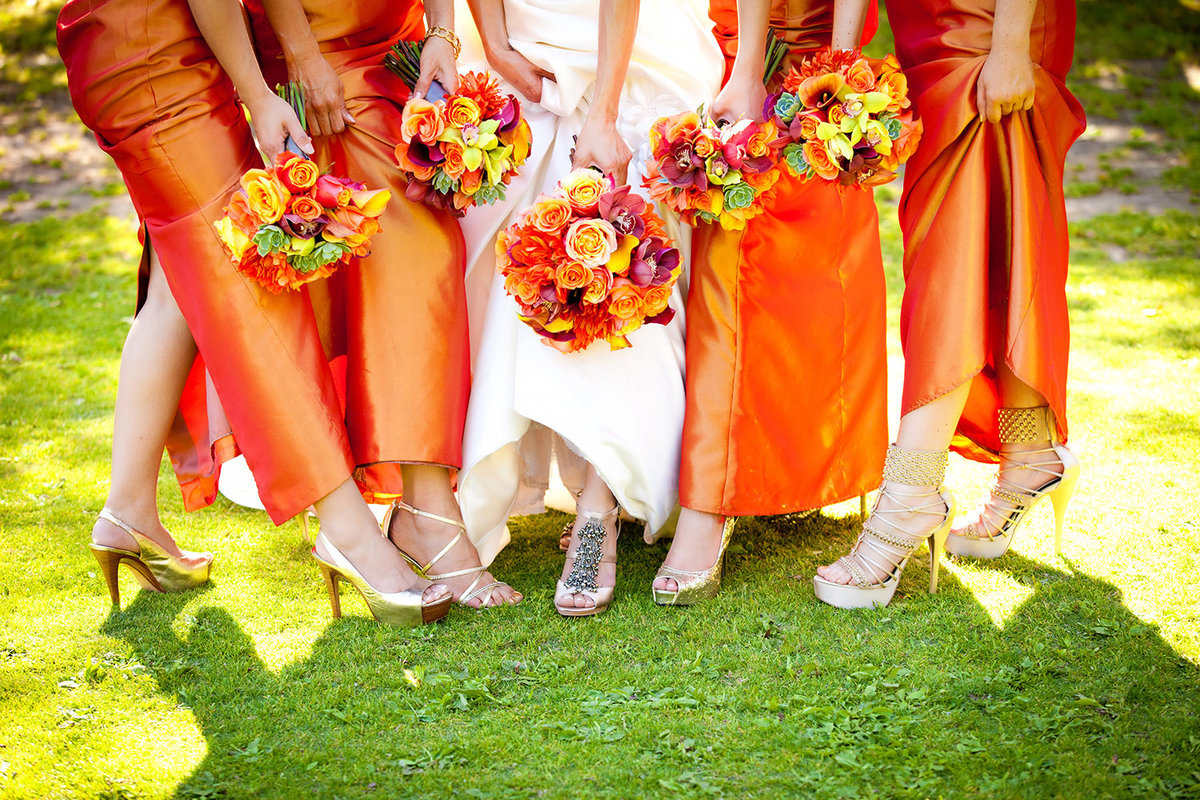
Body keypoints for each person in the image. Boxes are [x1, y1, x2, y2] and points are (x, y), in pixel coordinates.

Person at [58, 0, 452, 624]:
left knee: (175, 289)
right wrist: (260, 94)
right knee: (253, 296)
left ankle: (128, 511)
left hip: (138, 42)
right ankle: (348, 531)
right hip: (160, 62)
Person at [243, 0, 523, 608]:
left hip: (395, 48)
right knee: (416, 255)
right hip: (324, 53)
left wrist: (442, 33)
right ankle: (425, 509)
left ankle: (418, 508)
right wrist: (301, 53)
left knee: (422, 259)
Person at [455, 0, 723, 616]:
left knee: (618, 257)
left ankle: (598, 505)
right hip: (524, 33)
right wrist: (494, 44)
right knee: (522, 262)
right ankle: (497, 473)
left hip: (624, 42)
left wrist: (603, 112)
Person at [814, 0, 1085, 608]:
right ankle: (1030, 450)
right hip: (923, 36)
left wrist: (1012, 46)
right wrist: (841, 65)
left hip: (990, 27)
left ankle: (911, 493)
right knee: (990, 246)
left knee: (953, 263)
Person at [651, 0, 889, 606]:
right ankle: (712, 493)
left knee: (812, 284)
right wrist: (750, 68)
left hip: (802, 61)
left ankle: (725, 498)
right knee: (733, 279)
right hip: (743, 56)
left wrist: (842, 69)